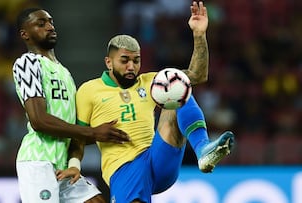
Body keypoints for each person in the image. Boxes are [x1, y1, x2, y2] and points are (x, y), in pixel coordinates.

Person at [73, 1, 235, 202]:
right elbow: (76, 138)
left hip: (158, 160)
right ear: (109, 62)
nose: (132, 66)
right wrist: (76, 162)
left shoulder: (152, 82)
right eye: (124, 61)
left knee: (177, 86)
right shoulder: (89, 90)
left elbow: (197, 75)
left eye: (136, 60)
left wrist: (199, 34)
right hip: (123, 167)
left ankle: (202, 149)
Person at [12, 8, 130, 203]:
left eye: (50, 22)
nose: (50, 27)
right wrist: (93, 133)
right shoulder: (27, 63)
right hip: (39, 162)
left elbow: (75, 130)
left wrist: (104, 135)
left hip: (64, 165)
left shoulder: (64, 72)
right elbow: (39, 120)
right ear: (25, 34)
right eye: (41, 24)